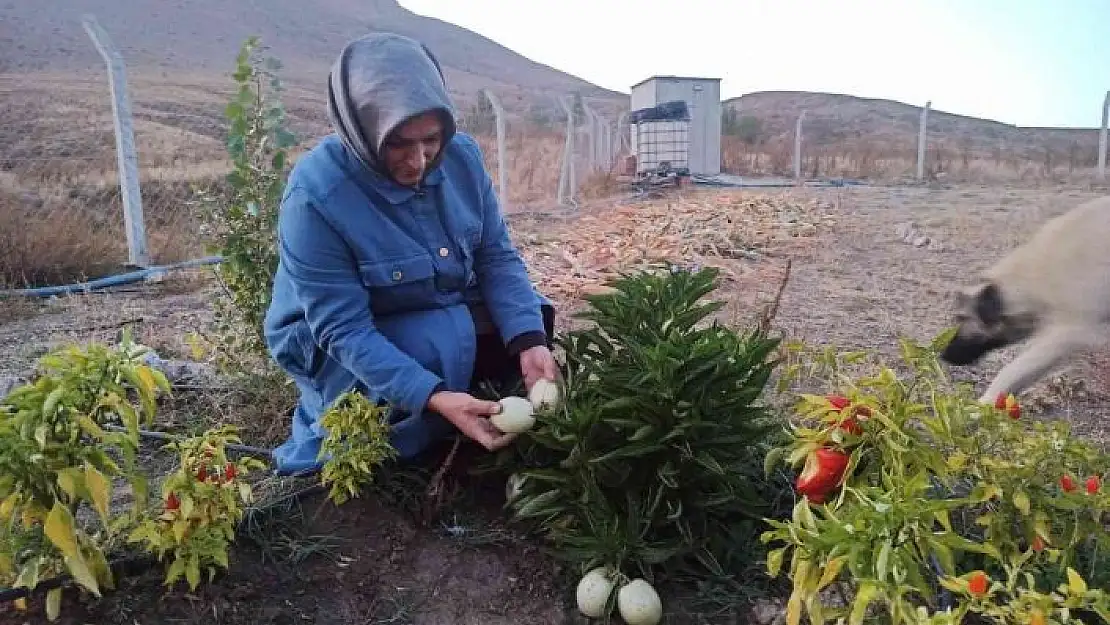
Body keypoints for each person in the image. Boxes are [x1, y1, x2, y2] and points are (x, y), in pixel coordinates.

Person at [262, 32, 560, 477]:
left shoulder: (462, 159)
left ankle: (459, 397)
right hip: (330, 337)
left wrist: (529, 340)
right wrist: (433, 396)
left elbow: (495, 257)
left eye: (431, 140)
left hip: (429, 298)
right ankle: (428, 420)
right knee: (436, 343)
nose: (419, 160)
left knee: (529, 317)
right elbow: (342, 329)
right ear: (360, 129)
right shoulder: (316, 197)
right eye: (398, 143)